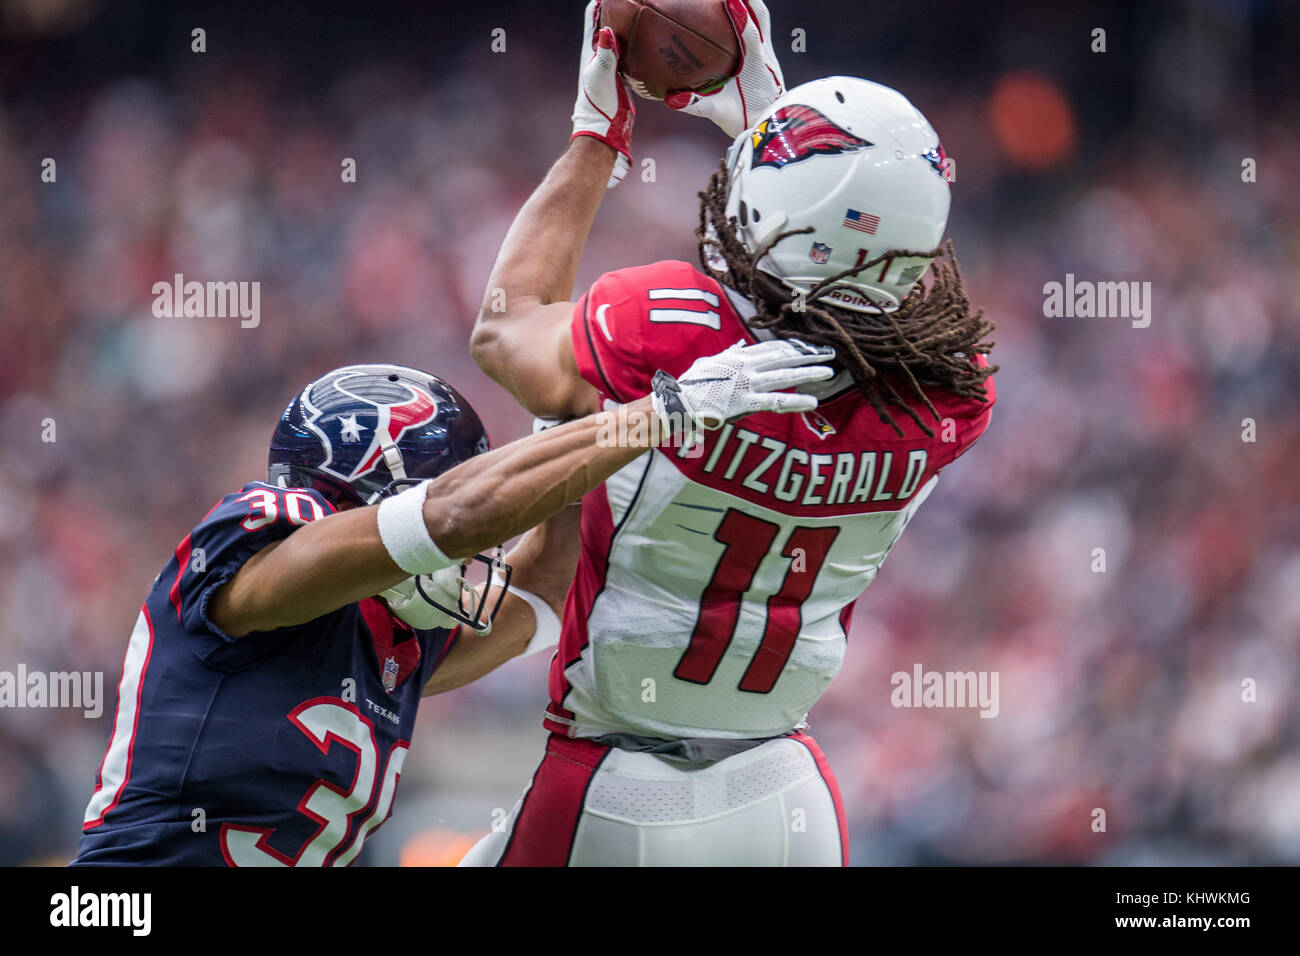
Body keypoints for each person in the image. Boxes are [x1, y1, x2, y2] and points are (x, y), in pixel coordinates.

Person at [463, 0, 997, 865]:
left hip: (615, 782)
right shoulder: (951, 393)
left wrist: (599, 131)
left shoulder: (673, 328)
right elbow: (867, 275)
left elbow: (505, 326)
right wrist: (779, 132)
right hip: (787, 793)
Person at [74, 353, 829, 865]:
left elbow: (540, 586)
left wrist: (571, 417)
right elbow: (457, 518)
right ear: (372, 488)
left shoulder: (387, 640)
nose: (477, 559)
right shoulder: (260, 546)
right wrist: (649, 418)